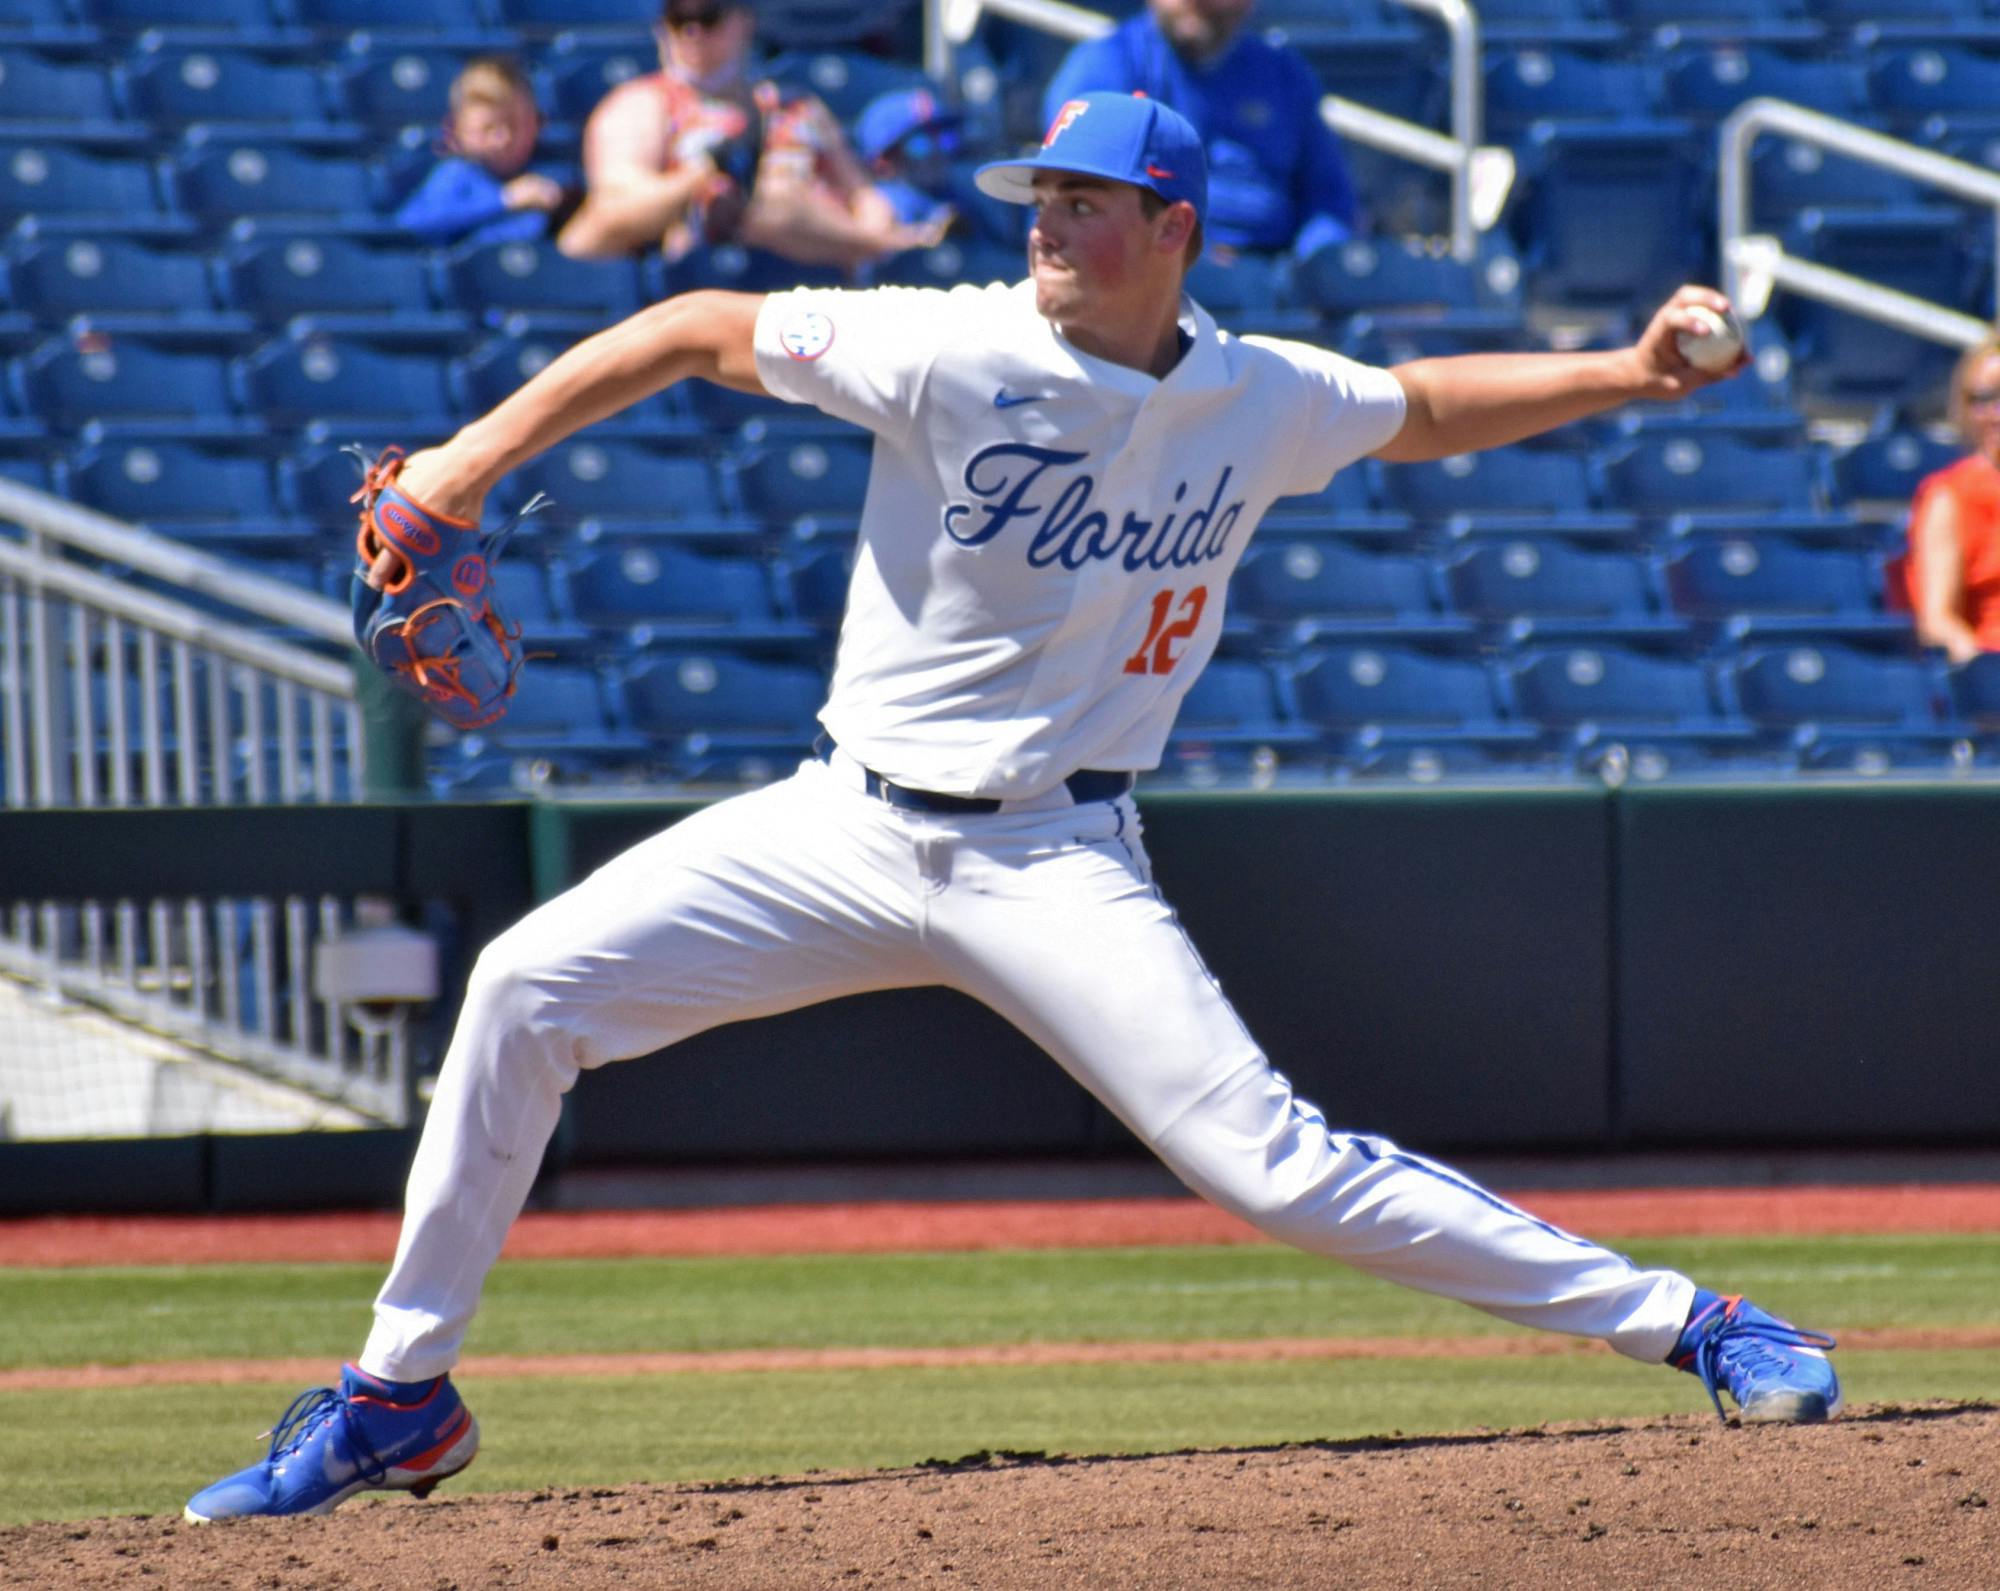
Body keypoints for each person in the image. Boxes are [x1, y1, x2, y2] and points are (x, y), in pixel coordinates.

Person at [184, 92, 1839, 1523]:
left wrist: (1625, 371)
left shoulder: (1258, 395)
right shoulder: (951, 340)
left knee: (1268, 1167)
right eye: (1037, 197)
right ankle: (400, 1396)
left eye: (1082, 202)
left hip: (1055, 853)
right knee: (524, 989)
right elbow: (688, 327)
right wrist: (465, 466)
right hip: (839, 827)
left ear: (1171, 227)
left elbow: (1425, 410)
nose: (1045, 222)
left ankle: (1698, 1323)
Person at [556, 0, 947, 270]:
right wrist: (703, 173)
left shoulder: (796, 108)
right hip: (704, 276)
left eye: (708, 17)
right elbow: (614, 212)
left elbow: (860, 192)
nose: (691, 33)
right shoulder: (644, 104)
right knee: (771, 206)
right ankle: (894, 247)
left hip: (816, 278)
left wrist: (873, 223)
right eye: (678, 19)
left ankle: (891, 249)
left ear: (743, 21)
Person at [1041, 0, 1363, 262]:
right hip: (1156, 271)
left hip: (1275, 275)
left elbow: (1329, 199)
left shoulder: (1284, 74)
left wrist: (1316, 264)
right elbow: (1083, 193)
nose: (1198, 5)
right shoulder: (1109, 63)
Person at [392, 57, 582, 249]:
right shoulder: (455, 174)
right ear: (456, 129)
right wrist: (505, 200)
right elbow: (414, 224)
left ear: (536, 123)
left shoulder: (554, 176)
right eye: (487, 128)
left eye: (514, 126)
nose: (503, 139)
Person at [1906, 336, 2000, 664]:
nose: (1996, 413)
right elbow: (1938, 622)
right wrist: (1979, 667)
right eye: (1984, 398)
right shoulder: (1950, 497)